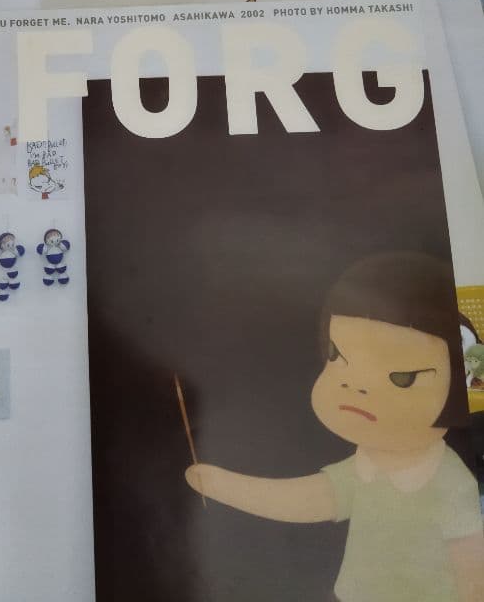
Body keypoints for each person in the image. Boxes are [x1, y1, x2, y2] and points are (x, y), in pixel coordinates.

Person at [185, 252, 484, 601]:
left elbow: (472, 572)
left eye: (401, 378)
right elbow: (310, 499)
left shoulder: (450, 482)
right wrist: (223, 485)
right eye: (335, 355)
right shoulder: (367, 465)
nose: (353, 387)